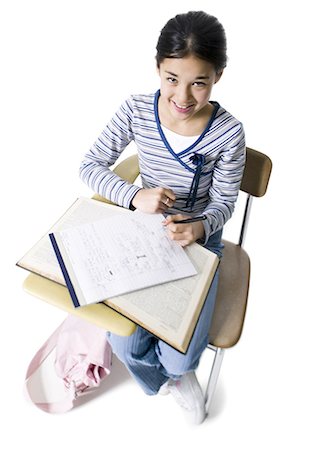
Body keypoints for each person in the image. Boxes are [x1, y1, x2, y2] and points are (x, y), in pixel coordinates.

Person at [79, 10, 246, 424]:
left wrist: (200, 226)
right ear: (157, 68)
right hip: (143, 233)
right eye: (172, 78)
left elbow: (226, 202)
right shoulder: (136, 110)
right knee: (124, 346)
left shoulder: (228, 133)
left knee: (180, 357)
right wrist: (135, 196)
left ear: (218, 76)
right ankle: (159, 377)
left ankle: (175, 374)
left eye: (199, 83)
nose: (183, 97)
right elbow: (91, 165)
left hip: (198, 241)